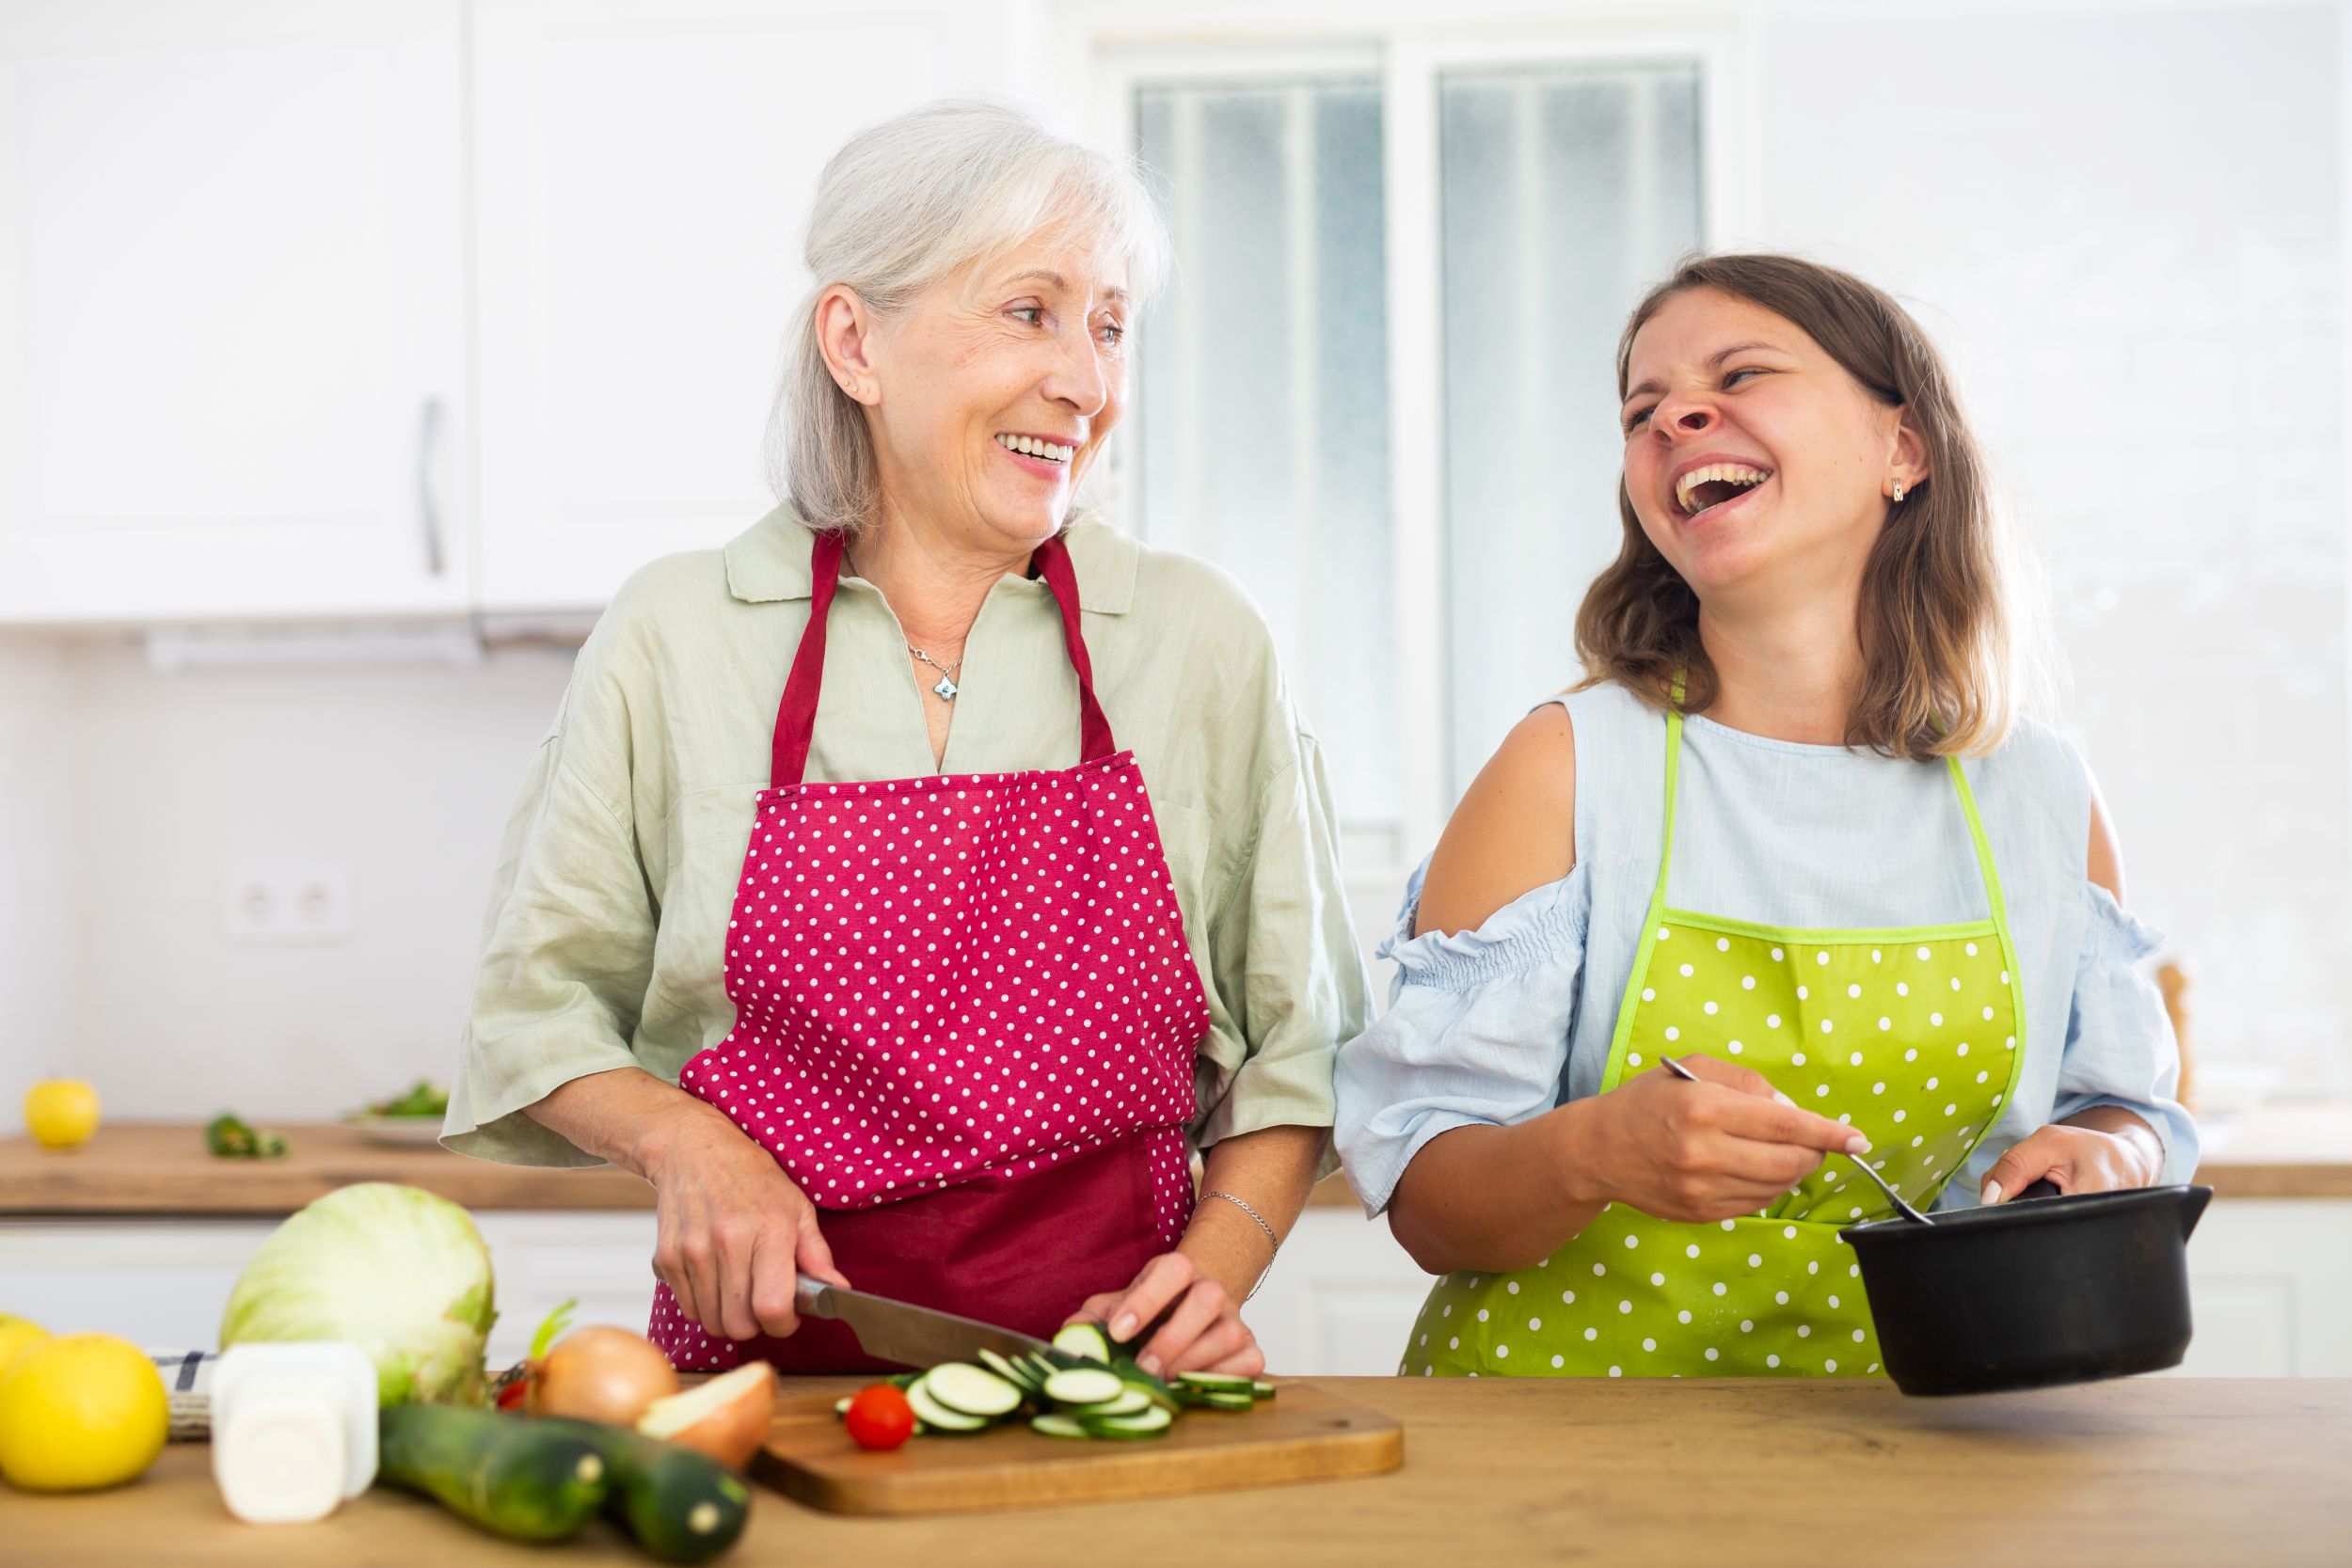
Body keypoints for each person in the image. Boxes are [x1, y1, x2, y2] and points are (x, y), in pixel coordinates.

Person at [444, 99, 1369, 1379]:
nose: (1088, 383)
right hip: (764, 1391)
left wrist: (1209, 1274)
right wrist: (686, 1141)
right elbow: (534, 1016)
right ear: (854, 342)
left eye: (1109, 327)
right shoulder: (677, 635)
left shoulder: (1200, 639)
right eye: (1030, 311)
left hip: (1113, 1380)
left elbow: (1300, 1044)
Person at [1334, 253, 2195, 1378]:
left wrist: (2113, 1152)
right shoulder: (1564, 767)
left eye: (1739, 374)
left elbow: (2125, 1111)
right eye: (1641, 411)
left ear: (1903, 447)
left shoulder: (2039, 792)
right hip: (1561, 1442)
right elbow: (1426, 1204)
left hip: (1929, 1427)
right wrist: (1594, 1149)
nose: (1672, 418)